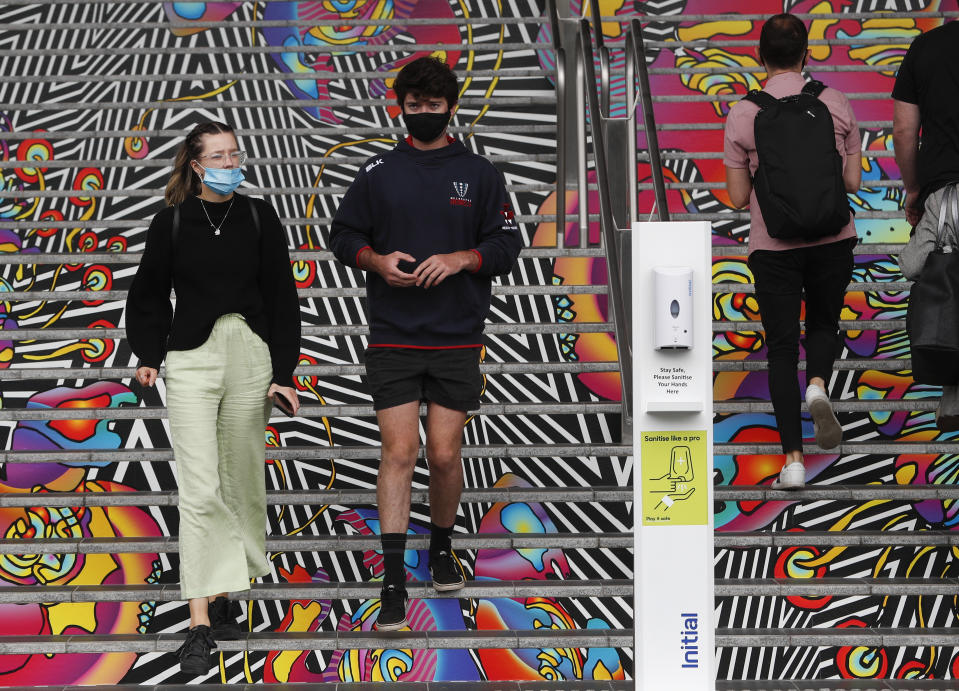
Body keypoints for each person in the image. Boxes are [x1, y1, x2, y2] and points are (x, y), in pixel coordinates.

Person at [329, 56, 522, 630]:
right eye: (413, 105)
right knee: (399, 453)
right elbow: (343, 235)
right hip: (393, 335)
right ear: (401, 106)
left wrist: (464, 258)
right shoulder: (376, 172)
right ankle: (392, 581)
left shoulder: (481, 174)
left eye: (433, 106)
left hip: (457, 336)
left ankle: (440, 547)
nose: (423, 114)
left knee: (442, 454)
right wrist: (375, 261)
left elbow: (508, 244)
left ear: (452, 108)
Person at [126, 121, 301, 673]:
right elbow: (149, 291)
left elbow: (281, 295)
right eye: (218, 155)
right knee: (200, 487)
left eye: (235, 153)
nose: (230, 162)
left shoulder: (258, 216)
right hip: (191, 361)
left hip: (250, 356)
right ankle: (200, 622)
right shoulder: (171, 222)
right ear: (197, 164)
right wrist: (149, 354)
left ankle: (226, 598)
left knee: (241, 478)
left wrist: (284, 371)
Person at [724, 14, 861, 489]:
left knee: (782, 350)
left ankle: (794, 462)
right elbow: (851, 183)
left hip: (774, 245)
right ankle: (819, 385)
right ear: (807, 54)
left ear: (759, 57)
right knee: (824, 323)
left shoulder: (743, 113)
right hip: (832, 239)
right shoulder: (835, 102)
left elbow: (739, 198)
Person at [893, 21, 959, 431]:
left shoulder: (926, 47)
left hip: (946, 190)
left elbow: (903, 129)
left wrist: (913, 188)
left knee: (936, 271)